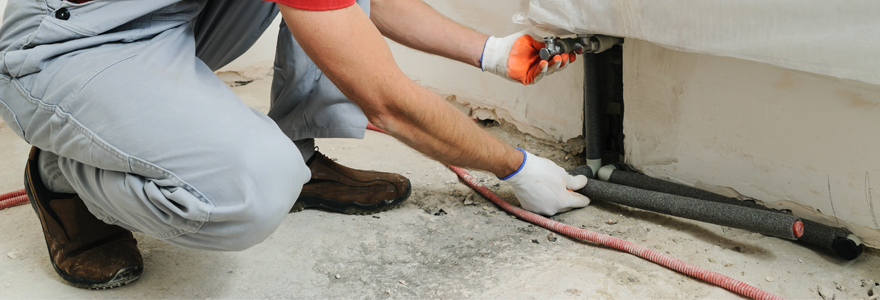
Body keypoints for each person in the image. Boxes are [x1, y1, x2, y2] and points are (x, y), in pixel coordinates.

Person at [0, 0, 590, 289]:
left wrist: (490, 52)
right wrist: (516, 166)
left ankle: (301, 150)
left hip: (167, 19)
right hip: (65, 48)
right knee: (250, 190)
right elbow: (387, 99)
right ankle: (62, 173)